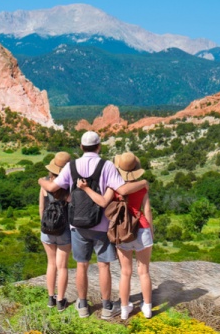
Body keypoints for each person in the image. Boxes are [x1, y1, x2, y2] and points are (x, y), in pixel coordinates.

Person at [37, 131, 147, 319]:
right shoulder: (107, 166)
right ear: (99, 146)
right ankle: (106, 307)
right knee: (103, 266)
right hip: (101, 224)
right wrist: (144, 183)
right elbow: (122, 189)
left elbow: (53, 188)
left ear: (81, 147)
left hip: (77, 225)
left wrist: (41, 180)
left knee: (82, 265)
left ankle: (82, 305)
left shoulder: (71, 166)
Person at [78, 152, 154, 319]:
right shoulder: (142, 187)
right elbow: (147, 211)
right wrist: (152, 233)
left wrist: (85, 188)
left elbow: (102, 202)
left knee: (125, 272)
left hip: (122, 231)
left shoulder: (113, 188)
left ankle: (125, 309)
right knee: (144, 271)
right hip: (142, 228)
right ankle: (147, 308)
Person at [39, 151, 72, 311]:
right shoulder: (69, 186)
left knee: (51, 264)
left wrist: (45, 225)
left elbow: (41, 208)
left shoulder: (44, 184)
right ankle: (60, 301)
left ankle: (50, 298)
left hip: (47, 230)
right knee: (62, 266)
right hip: (64, 230)